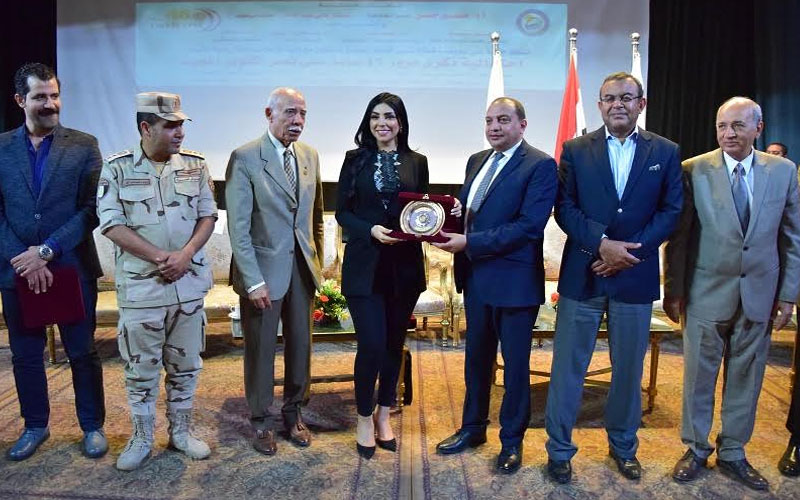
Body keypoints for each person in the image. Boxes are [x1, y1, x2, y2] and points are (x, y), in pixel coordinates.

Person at [544, 72, 682, 483]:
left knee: (628, 371)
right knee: (567, 368)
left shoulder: (666, 151)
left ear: (641, 103)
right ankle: (559, 451)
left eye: (626, 97)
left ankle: (623, 447)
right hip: (583, 273)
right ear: (600, 105)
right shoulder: (575, 149)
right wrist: (602, 245)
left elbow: (671, 211)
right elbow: (564, 208)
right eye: (609, 98)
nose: (617, 104)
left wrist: (627, 254)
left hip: (634, 277)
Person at [664, 96, 800, 491]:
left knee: (747, 376)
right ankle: (695, 448)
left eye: (738, 125)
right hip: (704, 291)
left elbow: (792, 237)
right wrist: (674, 290)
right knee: (698, 377)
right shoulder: (693, 169)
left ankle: (734, 451)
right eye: (722, 126)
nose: (729, 133)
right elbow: (680, 238)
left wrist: (788, 294)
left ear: (759, 128)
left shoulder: (783, 171)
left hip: (760, 293)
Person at [433, 97, 557, 474]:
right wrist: (451, 217)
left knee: (515, 368)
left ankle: (512, 441)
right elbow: (472, 211)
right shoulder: (477, 160)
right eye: (489, 121)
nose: (494, 127)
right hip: (476, 278)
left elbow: (528, 227)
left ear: (522, 125)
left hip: (515, 284)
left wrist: (469, 242)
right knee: (476, 361)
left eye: (503, 120)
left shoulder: (540, 165)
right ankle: (473, 429)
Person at [336, 92, 459, 458]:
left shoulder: (417, 162)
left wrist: (447, 213)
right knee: (371, 345)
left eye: (389, 116)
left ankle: (383, 414)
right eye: (375, 117)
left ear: (401, 123)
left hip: (404, 268)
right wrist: (370, 230)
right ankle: (363, 418)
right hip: (364, 266)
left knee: (393, 345)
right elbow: (343, 212)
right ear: (368, 122)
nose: (382, 123)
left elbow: (421, 210)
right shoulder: (354, 160)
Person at [98, 92, 217, 470]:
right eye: (170, 126)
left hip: (187, 286)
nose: (179, 132)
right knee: (141, 370)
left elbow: (208, 216)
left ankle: (180, 433)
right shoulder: (116, 168)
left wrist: (185, 255)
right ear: (146, 127)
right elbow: (111, 224)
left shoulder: (196, 165)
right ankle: (142, 437)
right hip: (142, 290)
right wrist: (160, 258)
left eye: (182, 124)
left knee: (187, 366)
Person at [0, 62, 106, 461]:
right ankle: (35, 426)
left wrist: (46, 252)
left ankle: (92, 426)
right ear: (20, 100)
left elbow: (91, 210)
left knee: (82, 352)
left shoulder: (84, 145)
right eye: (40, 97)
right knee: (26, 355)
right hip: (17, 270)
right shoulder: (1, 147)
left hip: (70, 267)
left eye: (55, 95)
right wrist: (24, 259)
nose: (50, 104)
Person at [225, 87, 324, 456]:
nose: (297, 121)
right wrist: (252, 280)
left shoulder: (310, 155)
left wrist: (316, 264)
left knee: (301, 347)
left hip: (301, 270)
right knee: (261, 350)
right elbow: (239, 229)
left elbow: (315, 219)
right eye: (289, 113)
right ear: (269, 114)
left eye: (302, 113)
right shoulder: (245, 157)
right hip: (262, 274)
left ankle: (294, 412)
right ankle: (261, 420)